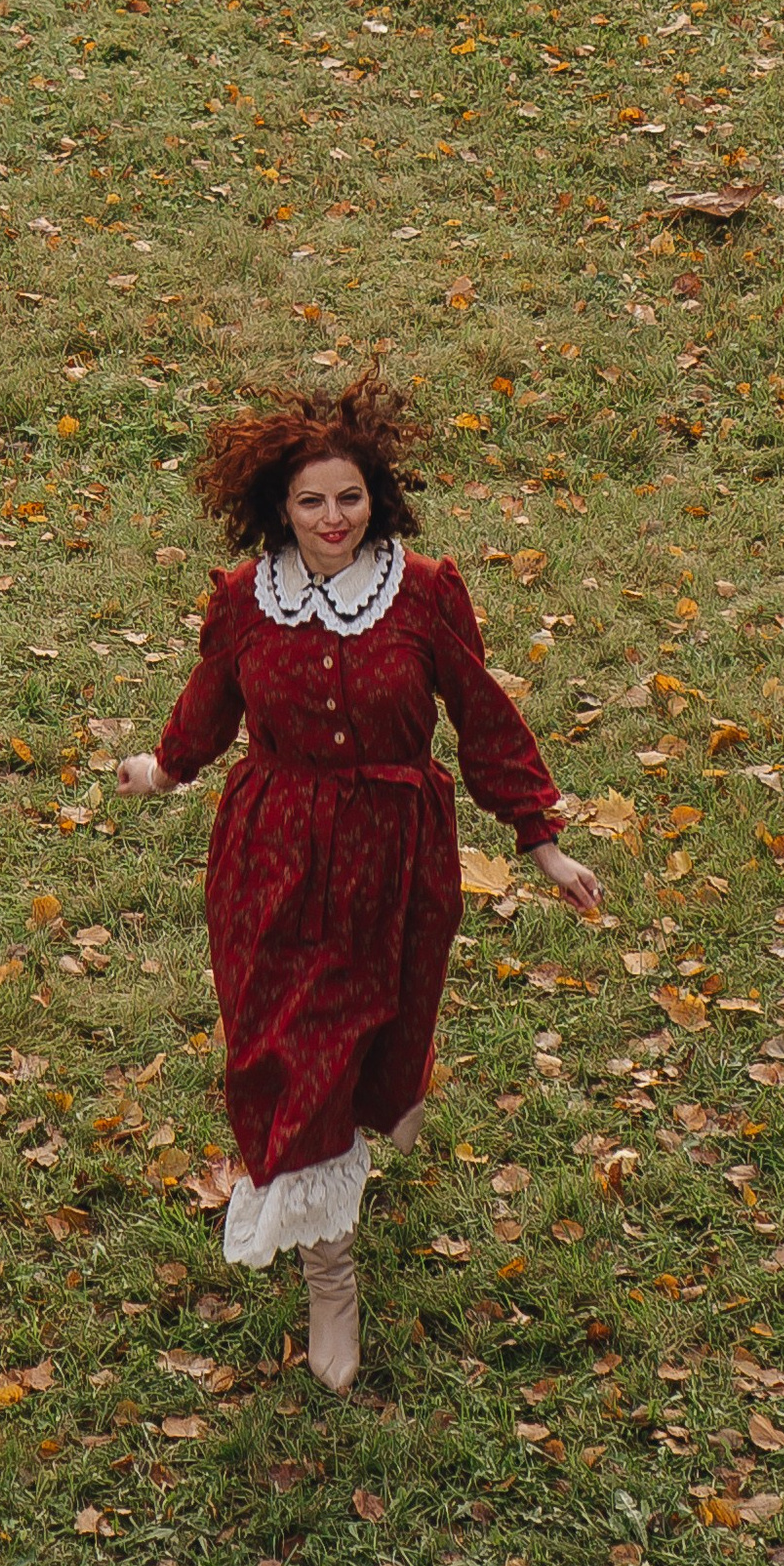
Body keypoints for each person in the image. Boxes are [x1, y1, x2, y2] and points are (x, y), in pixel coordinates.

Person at [119, 373, 602, 1396]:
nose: (333, 518)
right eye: (311, 502)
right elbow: (207, 709)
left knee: (368, 1035)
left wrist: (542, 842)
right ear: (280, 508)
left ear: (375, 497)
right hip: (272, 858)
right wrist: (163, 768)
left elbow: (483, 717)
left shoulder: (421, 594)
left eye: (349, 497)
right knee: (281, 1050)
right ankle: (327, 1275)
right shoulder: (246, 602)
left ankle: (373, 1109)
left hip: (393, 858)